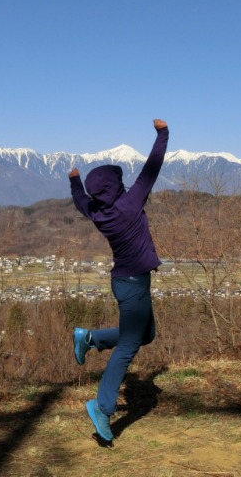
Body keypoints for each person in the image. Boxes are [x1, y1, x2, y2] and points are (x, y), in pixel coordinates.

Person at [67, 118, 169, 442]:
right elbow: (151, 169)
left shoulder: (99, 213)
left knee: (147, 333)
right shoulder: (129, 203)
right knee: (128, 345)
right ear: (116, 187)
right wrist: (163, 135)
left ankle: (90, 339)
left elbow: (81, 200)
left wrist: (74, 182)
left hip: (125, 282)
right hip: (133, 284)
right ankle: (102, 406)